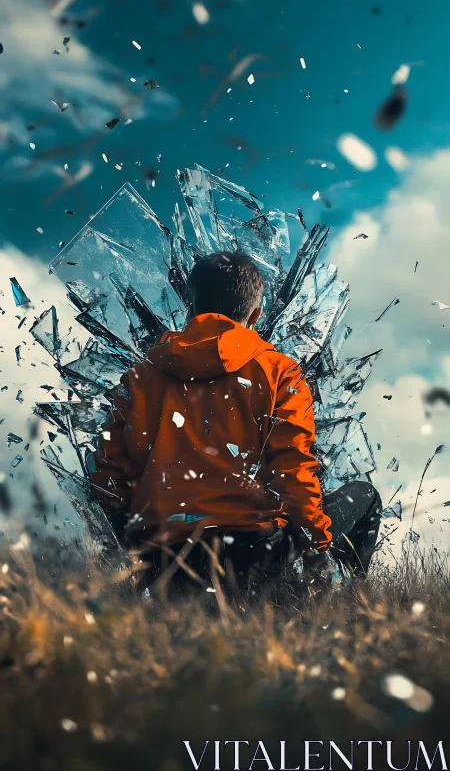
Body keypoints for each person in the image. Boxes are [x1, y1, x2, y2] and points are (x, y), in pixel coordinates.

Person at [89, 252, 382, 592]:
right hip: (250, 558)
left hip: (164, 563)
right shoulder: (281, 374)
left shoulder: (139, 378)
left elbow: (108, 478)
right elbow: (293, 472)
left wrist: (137, 550)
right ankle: (349, 601)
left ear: (190, 307)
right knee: (366, 496)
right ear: (255, 314)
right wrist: (316, 550)